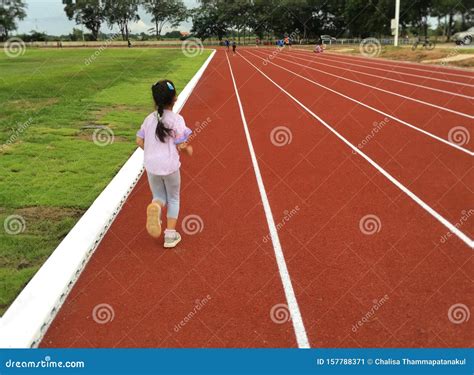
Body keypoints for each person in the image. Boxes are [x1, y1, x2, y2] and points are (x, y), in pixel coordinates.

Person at [136, 80, 193, 248]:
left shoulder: (148, 119)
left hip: (152, 166)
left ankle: (156, 206)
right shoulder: (177, 120)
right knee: (174, 198)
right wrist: (187, 150)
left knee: (159, 196)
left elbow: (139, 140)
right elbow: (181, 144)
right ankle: (169, 236)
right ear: (174, 99)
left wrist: (151, 152)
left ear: (155, 100)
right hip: (169, 166)